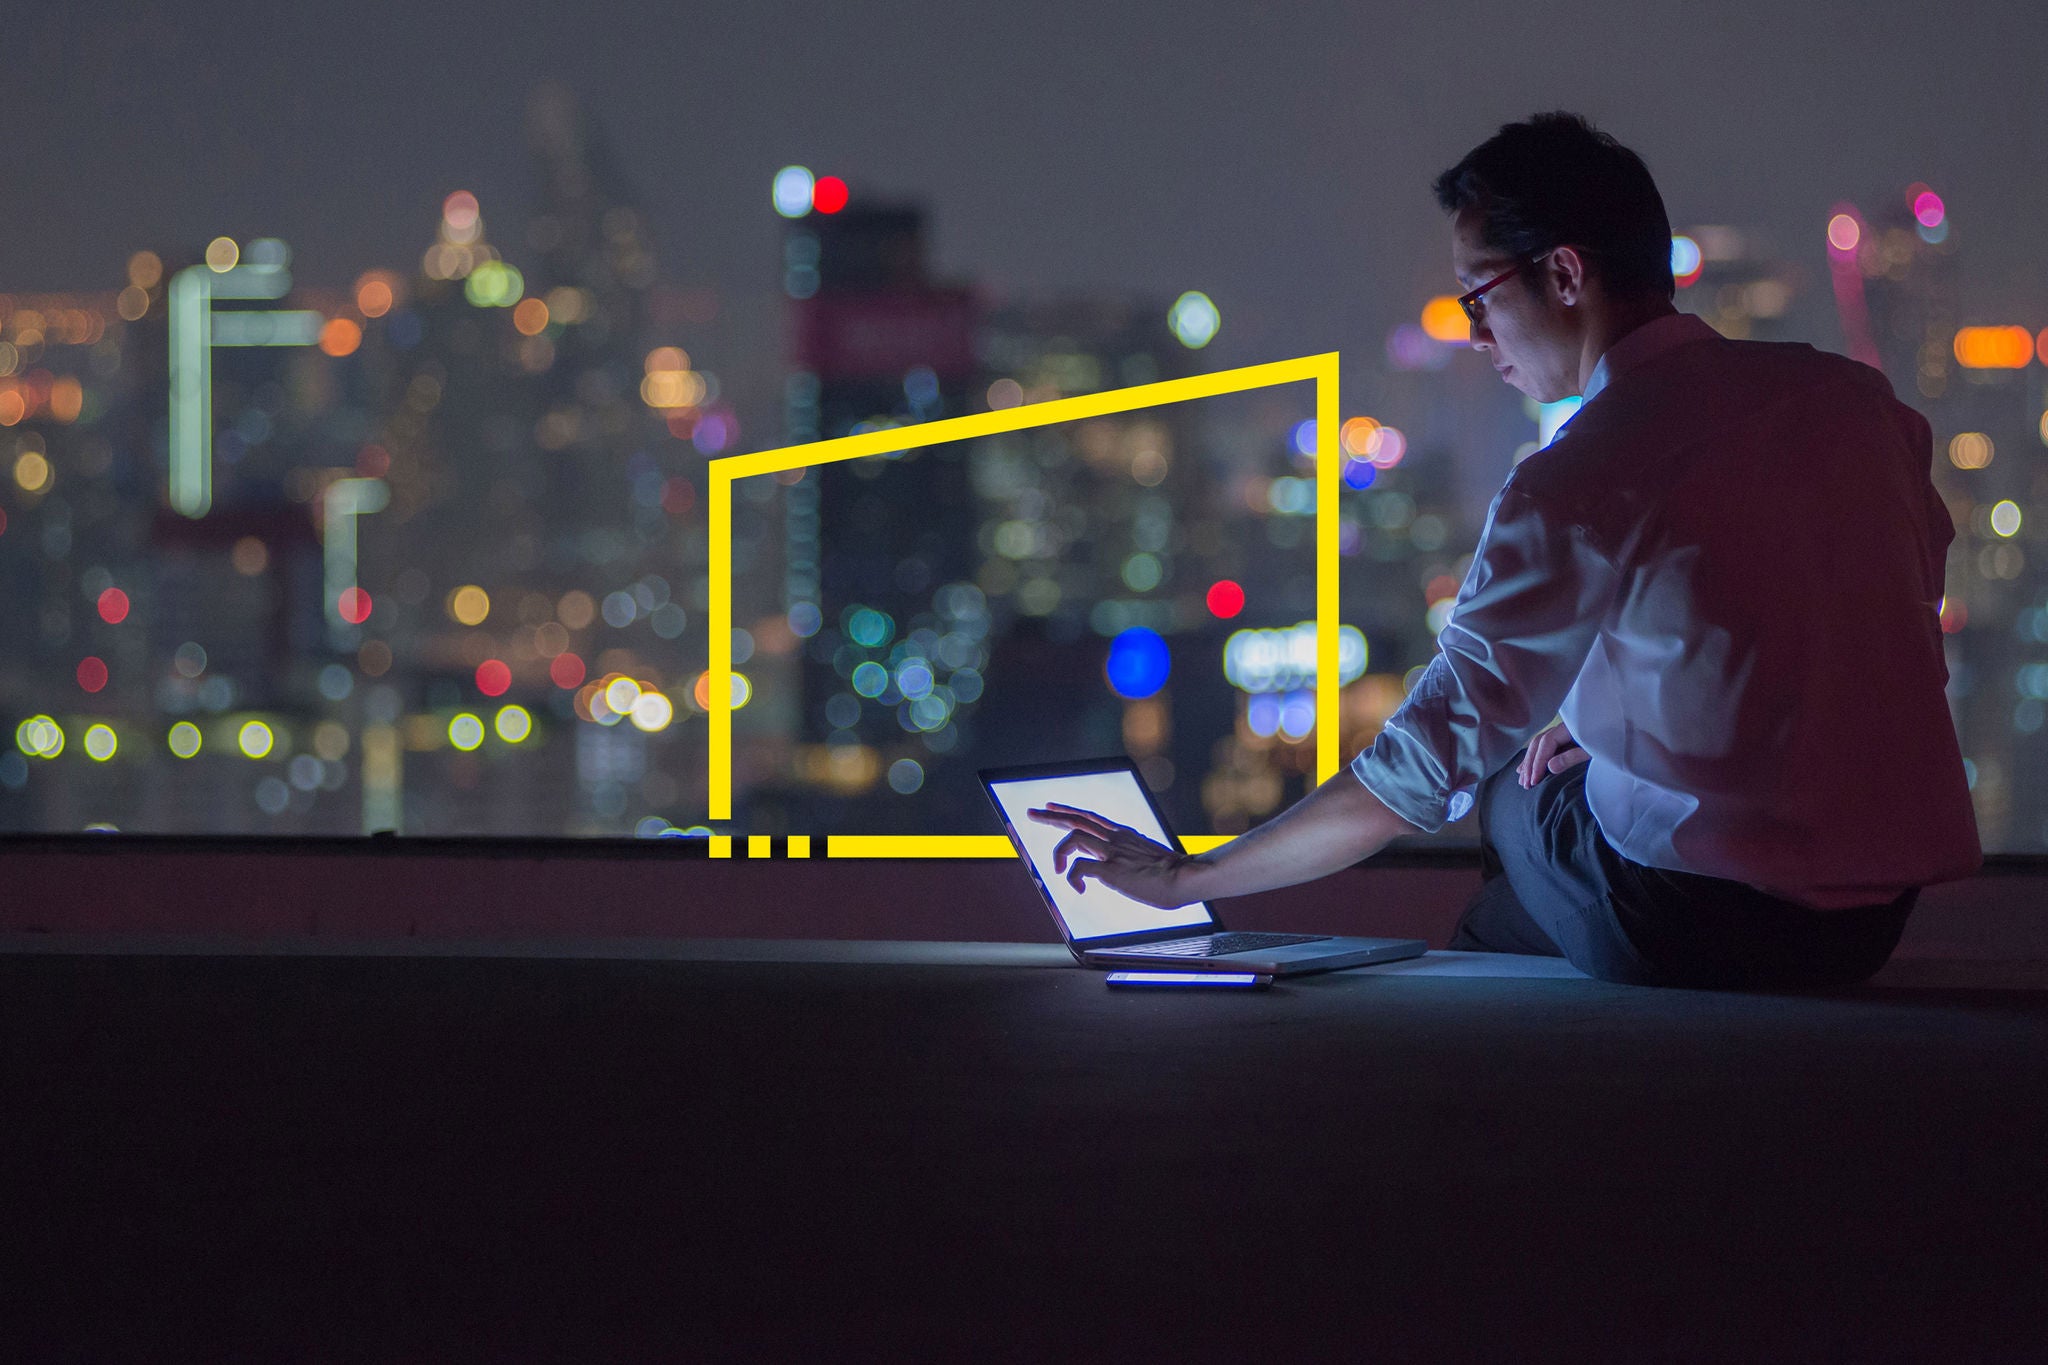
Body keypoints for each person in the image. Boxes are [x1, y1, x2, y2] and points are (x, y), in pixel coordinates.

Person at [1031, 111, 1981, 990]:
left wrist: (1183, 877)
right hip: (1870, 917)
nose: (1475, 332)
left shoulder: (1578, 475)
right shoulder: (1862, 409)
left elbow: (1418, 768)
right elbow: (1851, 625)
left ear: (1565, 275)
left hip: (1698, 915)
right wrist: (1610, 723)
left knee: (1509, 797)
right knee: (1548, 782)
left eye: (1478, 295)